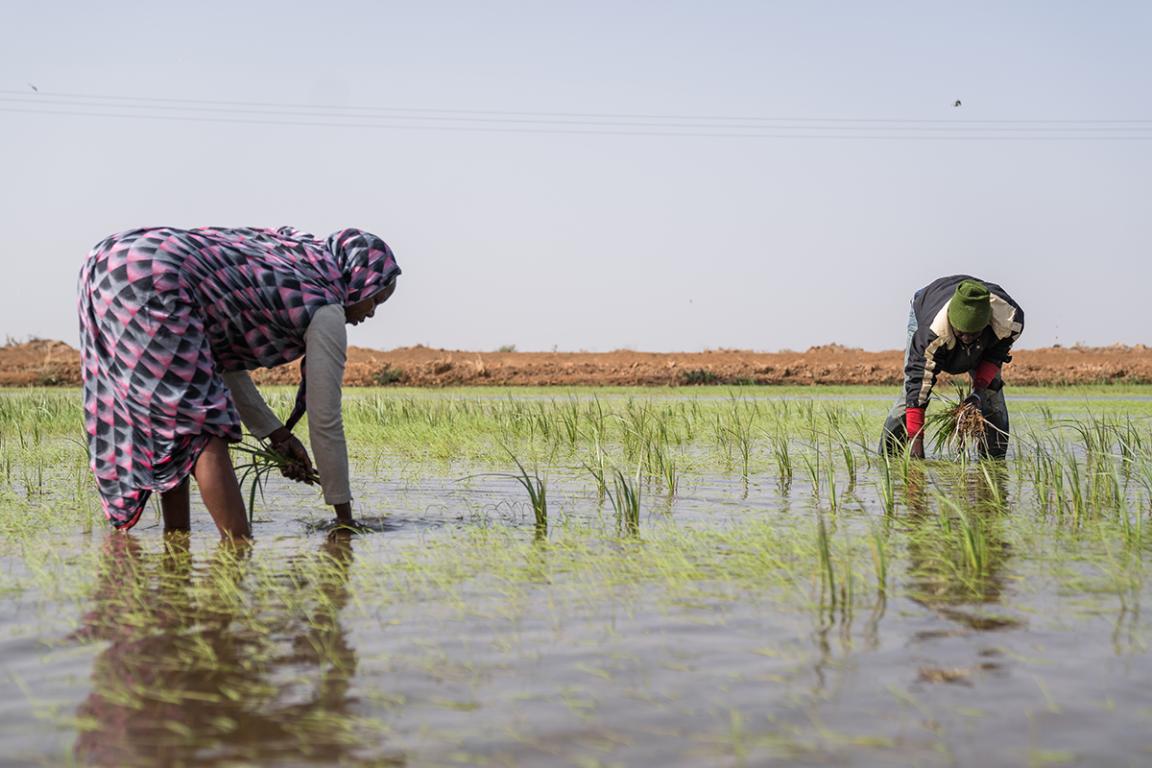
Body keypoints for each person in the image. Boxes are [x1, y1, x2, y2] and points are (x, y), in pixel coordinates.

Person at [77, 226, 400, 537]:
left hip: (112, 261)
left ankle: (177, 538)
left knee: (173, 420)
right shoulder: (326, 307)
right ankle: (237, 549)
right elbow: (325, 419)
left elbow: (219, 365)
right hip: (159, 272)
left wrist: (277, 435)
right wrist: (344, 518)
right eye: (375, 299)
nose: (371, 313)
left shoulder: (291, 262)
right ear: (356, 277)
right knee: (202, 424)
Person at [880, 275, 1024, 459]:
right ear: (951, 322)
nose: (966, 339)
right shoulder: (930, 333)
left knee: (991, 396)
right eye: (961, 333)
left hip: (987, 334)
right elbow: (918, 388)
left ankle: (993, 463)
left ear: (987, 324)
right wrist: (917, 444)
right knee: (907, 398)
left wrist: (979, 391)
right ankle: (888, 459)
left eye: (973, 335)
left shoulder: (1010, 320)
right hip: (927, 305)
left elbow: (995, 355)